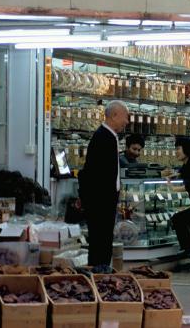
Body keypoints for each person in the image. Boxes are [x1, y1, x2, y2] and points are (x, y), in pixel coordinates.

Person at [78, 100, 129, 266]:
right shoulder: (102, 137)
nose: (126, 122)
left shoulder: (109, 136)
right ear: (114, 115)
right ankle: (99, 275)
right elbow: (93, 172)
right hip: (99, 201)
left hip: (105, 199)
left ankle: (102, 273)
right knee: (100, 242)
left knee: (104, 240)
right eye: (125, 117)